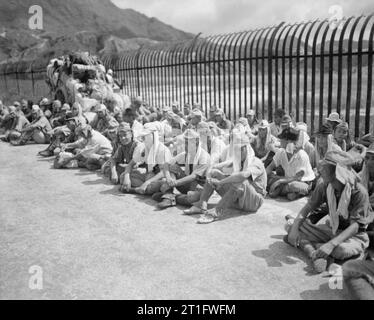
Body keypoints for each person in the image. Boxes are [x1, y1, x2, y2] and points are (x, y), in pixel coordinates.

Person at [285, 150, 374, 274]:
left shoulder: (359, 192)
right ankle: (317, 252)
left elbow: (355, 227)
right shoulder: (325, 186)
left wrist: (331, 244)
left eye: (325, 168)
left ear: (337, 172)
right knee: (290, 225)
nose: (320, 170)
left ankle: (309, 247)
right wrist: (295, 228)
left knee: (341, 250)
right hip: (331, 229)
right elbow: (308, 207)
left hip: (354, 235)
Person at [186, 130, 266, 224]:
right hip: (239, 200)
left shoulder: (256, 162)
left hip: (253, 202)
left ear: (247, 148)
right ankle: (201, 204)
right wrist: (212, 171)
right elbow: (218, 165)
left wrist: (221, 182)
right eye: (236, 149)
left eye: (241, 149)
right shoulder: (238, 161)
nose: (238, 151)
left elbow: (242, 176)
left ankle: (216, 212)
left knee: (241, 181)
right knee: (215, 174)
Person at [153, 129, 211, 209]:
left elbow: (194, 176)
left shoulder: (204, 156)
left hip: (200, 187)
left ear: (196, 142)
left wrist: (175, 183)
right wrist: (169, 178)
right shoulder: (186, 154)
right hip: (188, 184)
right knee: (173, 167)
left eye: (188, 142)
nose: (186, 145)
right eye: (185, 142)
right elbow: (166, 164)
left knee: (193, 198)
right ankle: (169, 197)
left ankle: (170, 197)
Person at [122, 122, 172, 196]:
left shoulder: (163, 150)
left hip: (159, 177)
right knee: (123, 176)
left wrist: (147, 182)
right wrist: (126, 177)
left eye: (145, 136)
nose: (143, 138)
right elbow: (130, 164)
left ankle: (134, 190)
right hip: (148, 175)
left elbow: (163, 172)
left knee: (163, 183)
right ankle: (143, 189)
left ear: (152, 136)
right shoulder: (142, 147)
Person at [266, 127, 315, 200]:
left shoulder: (301, 155)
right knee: (270, 178)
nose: (280, 141)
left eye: (282, 139)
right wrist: (262, 178)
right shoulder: (281, 152)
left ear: (289, 141)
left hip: (302, 182)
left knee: (293, 186)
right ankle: (287, 191)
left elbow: (297, 178)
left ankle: (283, 190)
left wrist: (280, 181)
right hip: (287, 180)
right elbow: (269, 168)